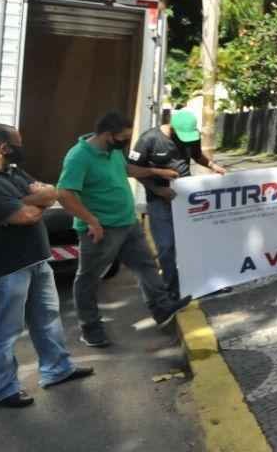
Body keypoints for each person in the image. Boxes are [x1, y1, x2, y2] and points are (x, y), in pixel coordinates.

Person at [0, 125, 93, 409]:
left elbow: (52, 193)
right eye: (19, 143)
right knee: (4, 330)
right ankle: (4, 391)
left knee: (48, 317)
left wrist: (26, 202)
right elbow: (27, 216)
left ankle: (57, 369)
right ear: (4, 147)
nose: (23, 147)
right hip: (5, 269)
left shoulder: (12, 171)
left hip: (36, 259)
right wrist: (29, 202)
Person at [58, 111, 192, 348]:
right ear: (109, 135)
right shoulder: (79, 157)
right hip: (101, 229)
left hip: (127, 223)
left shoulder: (112, 151)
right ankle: (90, 329)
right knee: (88, 278)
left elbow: (127, 170)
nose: (127, 141)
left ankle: (161, 308)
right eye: (124, 137)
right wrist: (92, 221)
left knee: (146, 265)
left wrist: (156, 171)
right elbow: (65, 194)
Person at [129, 109, 226, 297]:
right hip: (159, 200)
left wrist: (214, 166)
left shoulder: (191, 136)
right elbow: (131, 169)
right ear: (172, 128)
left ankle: (201, 285)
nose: (186, 141)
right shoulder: (149, 139)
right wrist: (158, 188)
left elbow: (197, 156)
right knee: (166, 246)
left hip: (186, 199)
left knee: (193, 243)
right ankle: (172, 289)